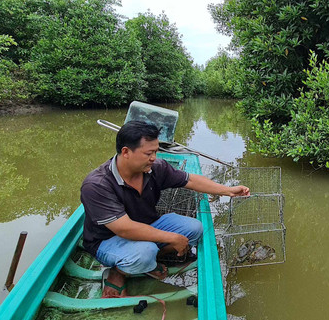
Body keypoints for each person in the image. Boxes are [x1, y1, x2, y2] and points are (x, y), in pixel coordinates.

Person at [81, 121, 250, 297]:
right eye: (148, 153)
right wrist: (172, 238)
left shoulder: (155, 168)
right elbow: (124, 229)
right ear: (126, 152)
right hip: (107, 240)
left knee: (195, 228)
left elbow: (190, 180)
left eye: (156, 151)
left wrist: (228, 190)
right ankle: (118, 271)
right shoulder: (97, 185)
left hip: (147, 224)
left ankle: (147, 261)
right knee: (145, 252)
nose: (154, 158)